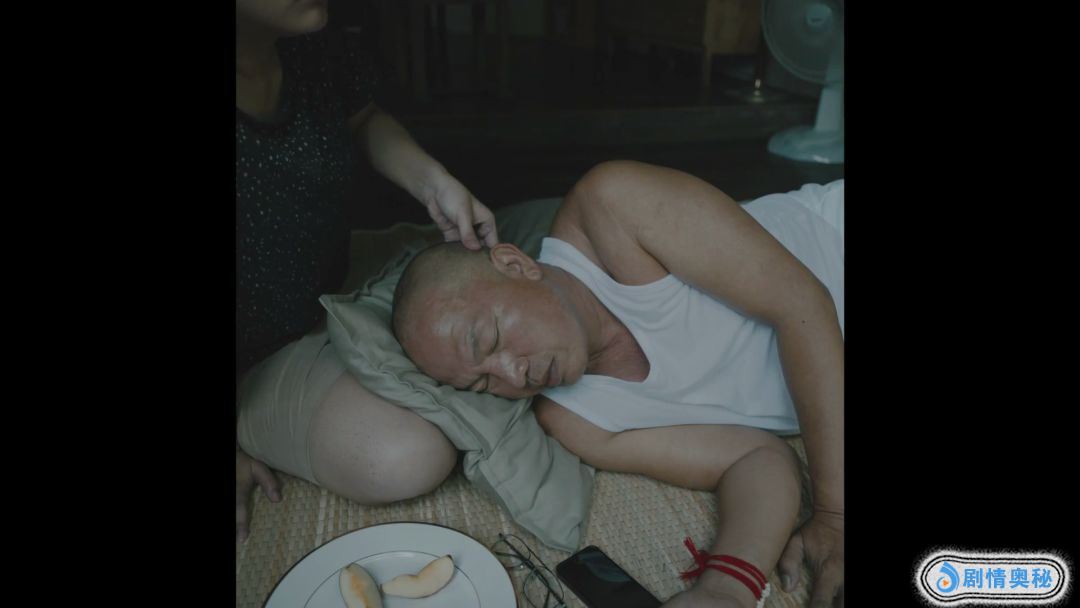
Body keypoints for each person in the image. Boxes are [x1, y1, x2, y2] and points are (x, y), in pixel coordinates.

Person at [392, 160, 844, 608]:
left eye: (490, 338)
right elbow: (755, 457)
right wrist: (727, 588)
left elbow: (803, 306)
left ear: (514, 263)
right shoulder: (574, 420)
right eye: (483, 384)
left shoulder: (611, 207)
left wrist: (835, 513)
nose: (513, 375)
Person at [235, 0, 500, 544]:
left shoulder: (309, 37)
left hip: (332, 285)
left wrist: (434, 183)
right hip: (253, 355)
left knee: (536, 249)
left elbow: (362, 118)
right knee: (405, 456)